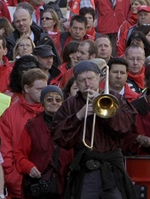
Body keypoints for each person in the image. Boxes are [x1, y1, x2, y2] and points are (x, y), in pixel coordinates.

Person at [53, 60, 137, 198]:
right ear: (76, 83)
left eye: (90, 79)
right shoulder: (70, 104)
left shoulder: (115, 98)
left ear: (99, 78)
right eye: (82, 80)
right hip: (86, 170)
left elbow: (126, 127)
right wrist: (79, 116)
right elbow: (60, 138)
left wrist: (105, 111)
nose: (87, 84)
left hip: (112, 170)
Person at [14, 85, 74, 198]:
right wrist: (29, 167)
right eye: (49, 99)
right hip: (39, 186)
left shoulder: (70, 125)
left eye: (58, 100)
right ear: (42, 103)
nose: (54, 102)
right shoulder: (32, 126)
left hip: (65, 185)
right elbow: (19, 154)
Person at [0, 68, 49, 199]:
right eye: (39, 89)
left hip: (50, 184)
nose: (43, 93)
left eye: (45, 88)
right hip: (20, 185)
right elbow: (5, 152)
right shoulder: (9, 115)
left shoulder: (51, 111)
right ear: (26, 88)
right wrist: (15, 181)